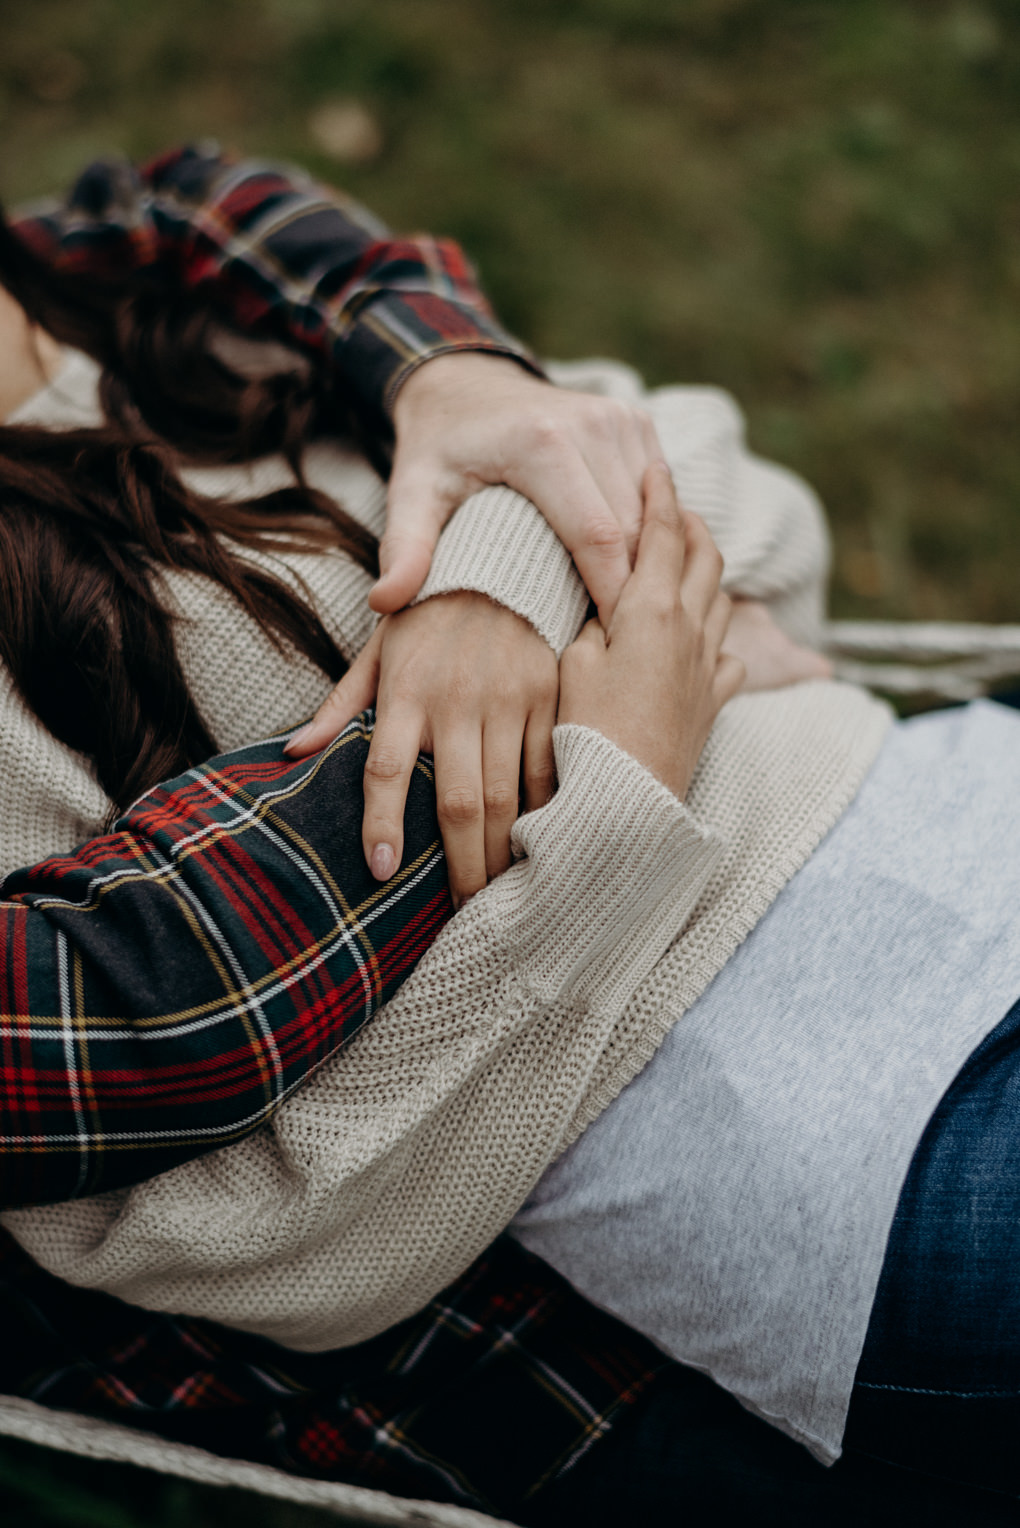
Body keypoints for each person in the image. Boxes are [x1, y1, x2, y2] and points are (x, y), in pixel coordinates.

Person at [1, 145, 1017, 1528]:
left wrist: (497, 590)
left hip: (953, 797)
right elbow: (265, 1238)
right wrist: (612, 799)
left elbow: (711, 468)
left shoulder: (156, 271)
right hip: (823, 1142)